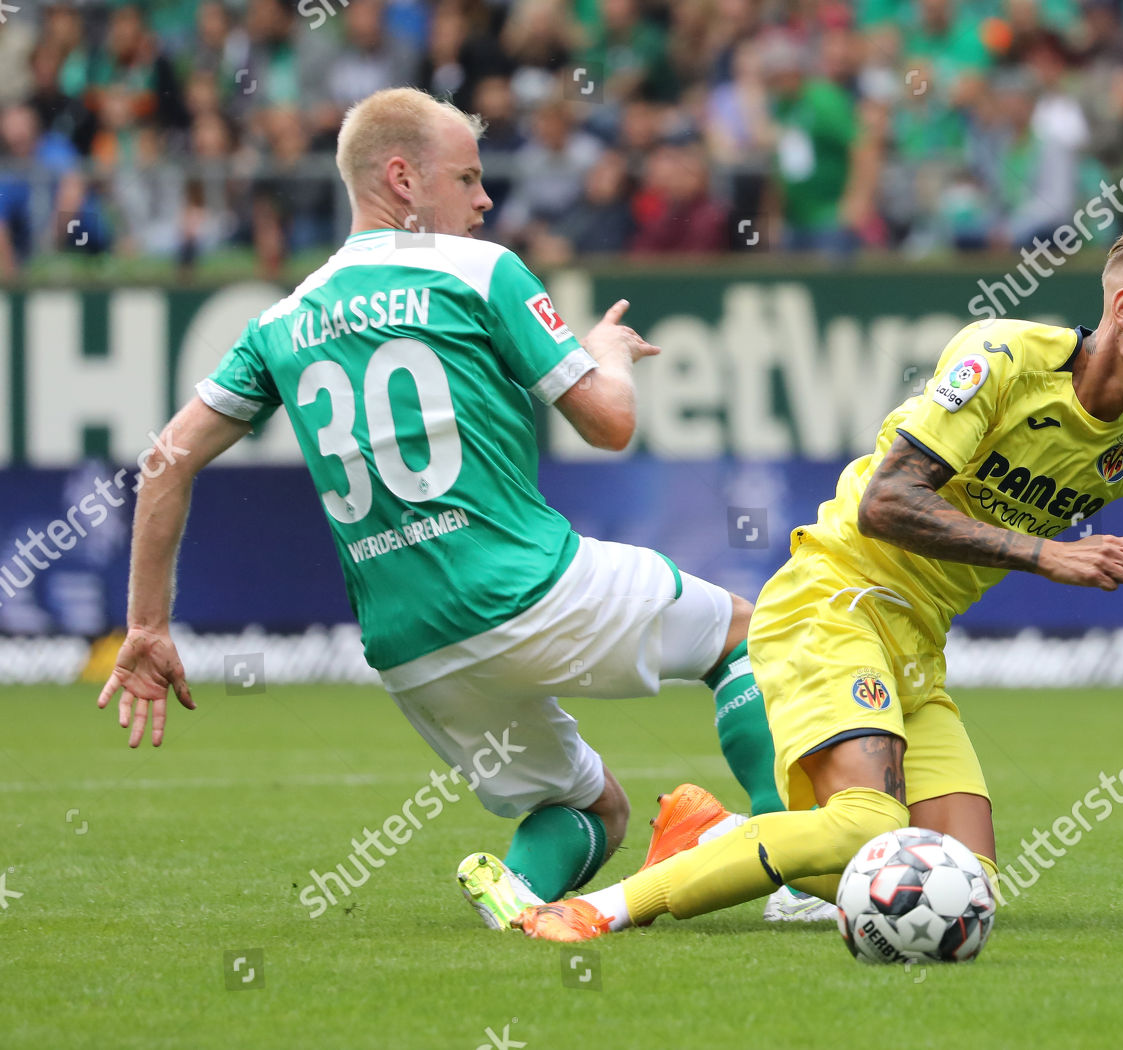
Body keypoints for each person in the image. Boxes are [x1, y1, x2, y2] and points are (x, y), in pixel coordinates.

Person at [512, 219, 1123, 942]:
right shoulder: (1003, 358)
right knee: (859, 827)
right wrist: (1044, 553)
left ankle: (713, 840)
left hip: (916, 643)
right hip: (833, 598)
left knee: (964, 889)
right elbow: (886, 503)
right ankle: (603, 912)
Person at [95, 87, 781, 930]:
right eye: (468, 177)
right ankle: (784, 862)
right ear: (402, 179)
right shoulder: (480, 269)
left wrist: (147, 627)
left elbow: (165, 459)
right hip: (525, 589)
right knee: (748, 637)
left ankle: (522, 896)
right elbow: (610, 423)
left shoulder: (281, 319)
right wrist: (606, 352)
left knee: (593, 810)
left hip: (413, 648)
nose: (486, 199)